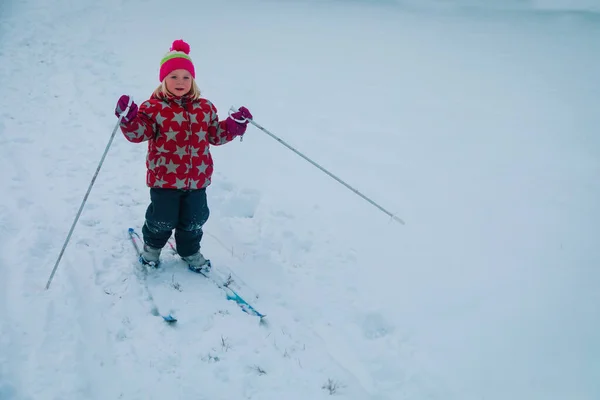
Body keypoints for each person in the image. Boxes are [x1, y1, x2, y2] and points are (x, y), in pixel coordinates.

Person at [114, 39, 253, 272]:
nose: (180, 82)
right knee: (162, 219)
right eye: (174, 77)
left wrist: (233, 125)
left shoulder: (205, 108)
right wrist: (129, 120)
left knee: (195, 219)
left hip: (197, 179)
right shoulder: (153, 108)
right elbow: (140, 133)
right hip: (165, 179)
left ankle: (189, 251)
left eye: (186, 77)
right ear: (163, 80)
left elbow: (215, 135)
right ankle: (152, 248)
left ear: (193, 80)